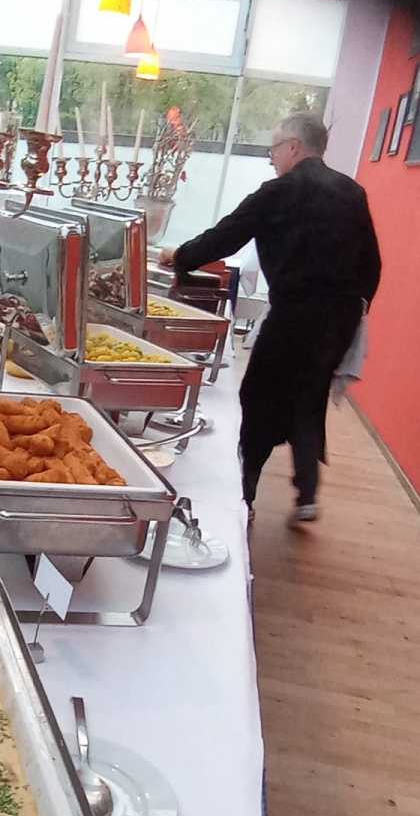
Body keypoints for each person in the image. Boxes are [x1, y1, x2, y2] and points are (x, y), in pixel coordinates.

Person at [158, 112, 381, 527]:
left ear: (293, 147)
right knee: (309, 394)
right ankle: (307, 493)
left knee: (258, 398)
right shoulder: (352, 192)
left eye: (273, 149)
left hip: (294, 315)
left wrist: (181, 256)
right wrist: (355, 310)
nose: (271, 158)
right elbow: (372, 264)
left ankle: (245, 493)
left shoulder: (280, 191)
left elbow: (228, 234)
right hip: (339, 319)